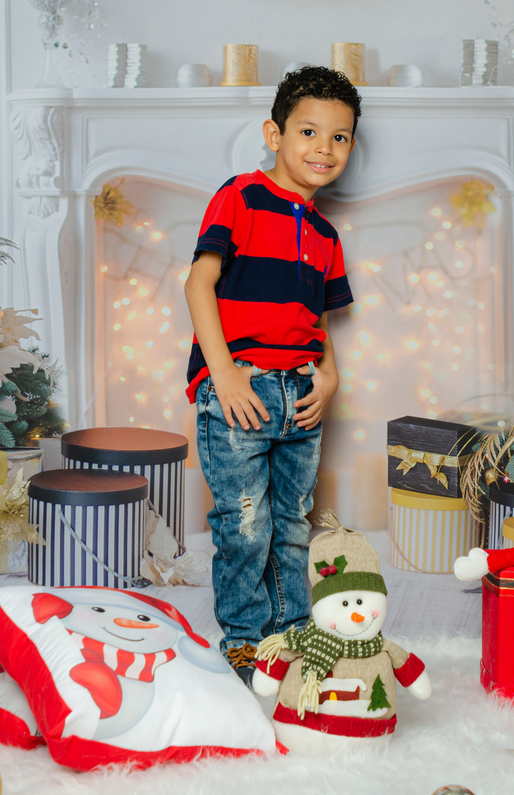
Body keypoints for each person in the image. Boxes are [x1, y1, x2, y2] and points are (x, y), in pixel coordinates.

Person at [183, 66, 360, 685]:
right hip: (243, 387)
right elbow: (198, 283)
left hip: (300, 395)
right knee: (245, 523)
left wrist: (329, 377)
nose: (324, 147)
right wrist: (225, 374)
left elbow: (318, 321)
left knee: (291, 524)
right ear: (274, 134)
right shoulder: (240, 196)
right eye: (309, 131)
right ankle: (242, 638)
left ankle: (291, 636)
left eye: (340, 137)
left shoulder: (326, 234)